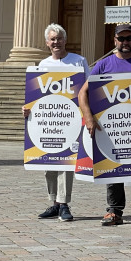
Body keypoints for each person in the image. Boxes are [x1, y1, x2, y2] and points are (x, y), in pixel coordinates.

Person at [78, 24, 131, 226]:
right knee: (112, 162)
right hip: (113, 126)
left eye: (129, 38)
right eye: (121, 39)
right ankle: (114, 210)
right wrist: (88, 117)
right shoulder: (103, 64)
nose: (125, 42)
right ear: (115, 40)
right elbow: (83, 93)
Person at [27, 23, 89, 222]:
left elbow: (87, 91)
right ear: (47, 43)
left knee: (66, 163)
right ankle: (53, 203)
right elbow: (38, 96)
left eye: (59, 38)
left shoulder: (78, 62)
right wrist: (28, 109)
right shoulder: (42, 65)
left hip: (70, 120)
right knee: (49, 162)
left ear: (65, 40)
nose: (56, 42)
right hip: (49, 121)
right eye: (52, 39)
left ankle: (63, 204)